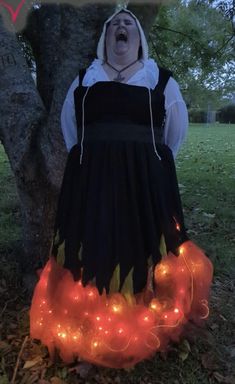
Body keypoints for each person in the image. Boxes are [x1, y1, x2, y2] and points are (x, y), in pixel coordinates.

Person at [30, 8, 213, 369]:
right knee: (95, 242)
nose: (121, 27)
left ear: (139, 38)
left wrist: (146, 163)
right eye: (114, 24)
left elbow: (175, 132)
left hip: (146, 180)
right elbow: (72, 130)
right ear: (106, 38)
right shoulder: (86, 78)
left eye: (129, 23)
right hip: (92, 180)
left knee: (141, 241)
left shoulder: (159, 78)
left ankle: (145, 323)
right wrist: (99, 158)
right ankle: (93, 328)